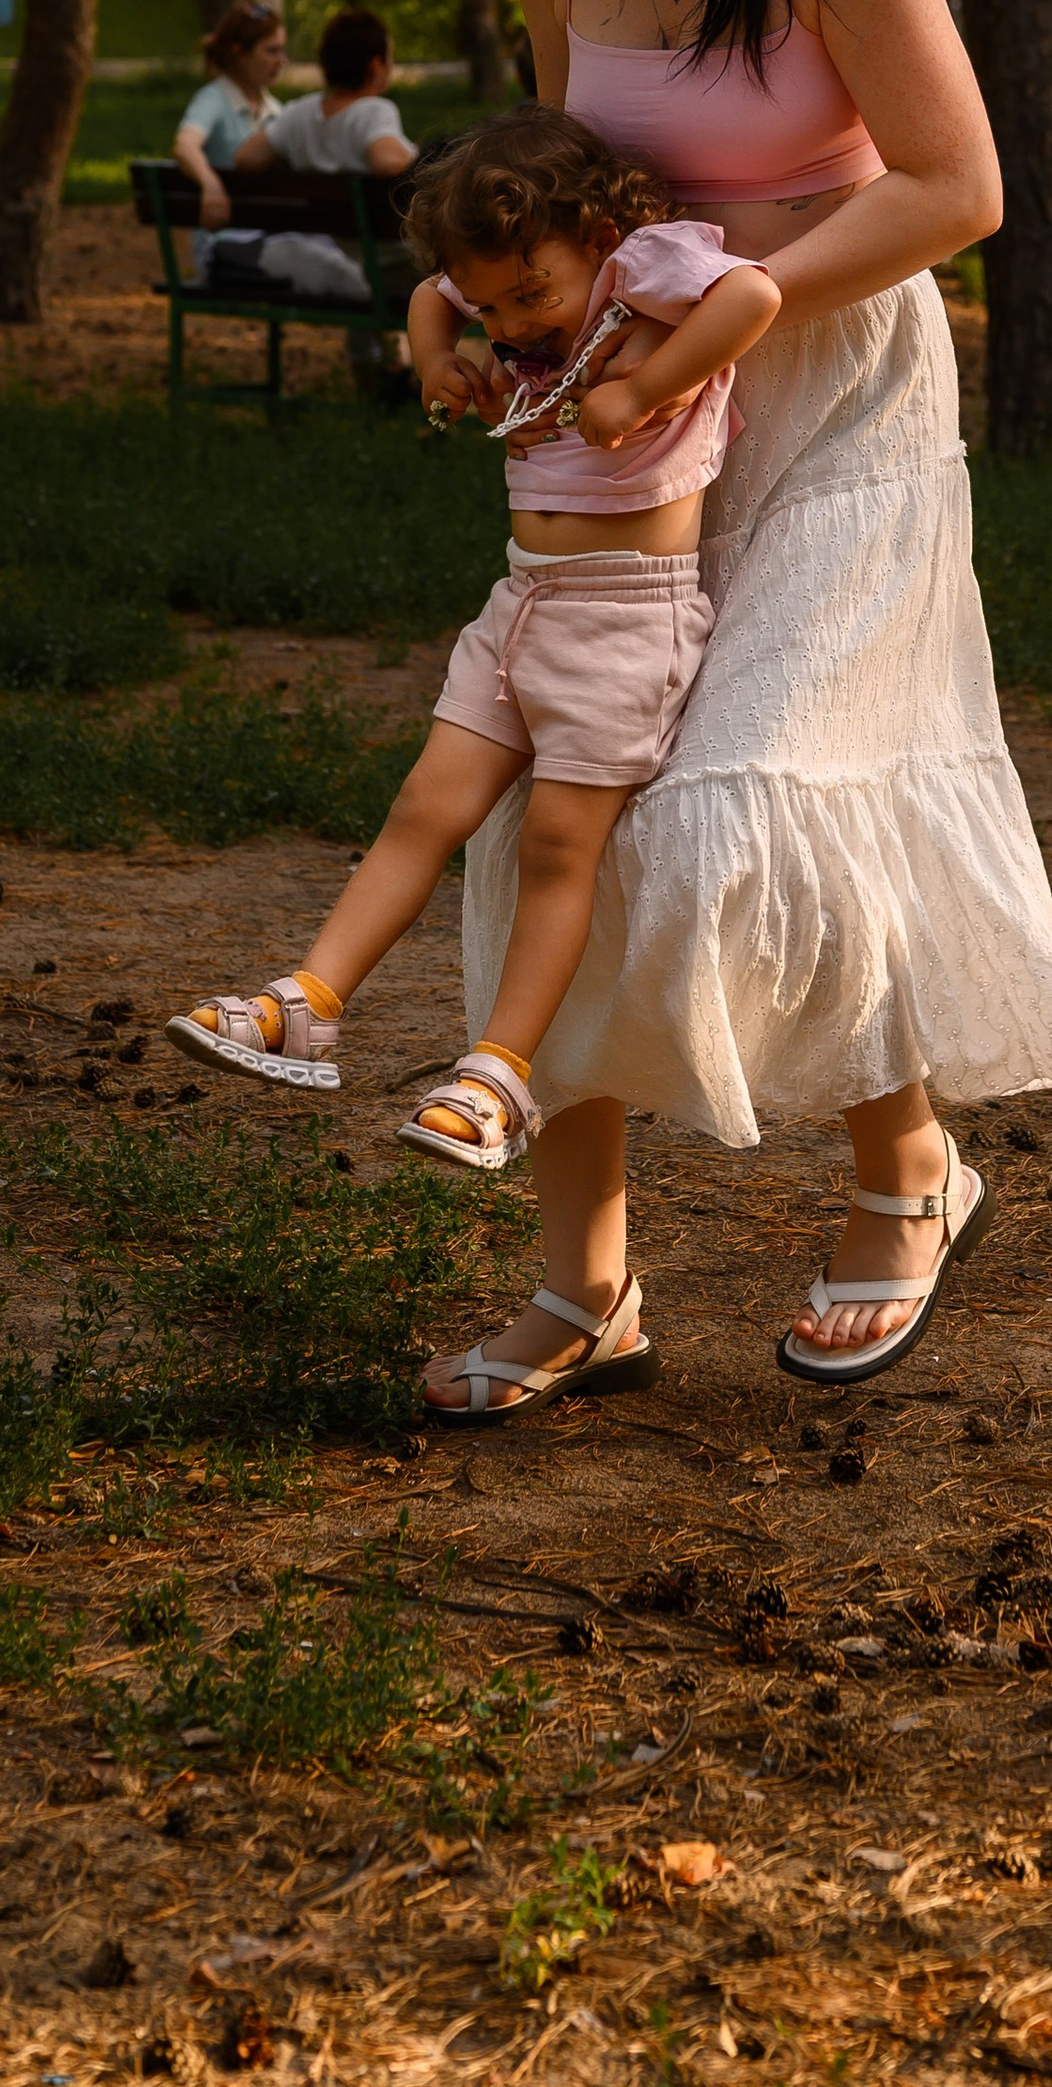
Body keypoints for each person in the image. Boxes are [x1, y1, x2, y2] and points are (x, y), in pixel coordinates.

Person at [407, 0, 1052, 1422]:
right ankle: (586, 1285)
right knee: (564, 798)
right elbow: (561, 178)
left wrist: (741, 307)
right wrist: (469, 306)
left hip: (837, 385)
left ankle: (910, 1170)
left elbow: (960, 185)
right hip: (632, 410)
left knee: (771, 789)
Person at [164, 108, 780, 1314]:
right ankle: (308, 1004)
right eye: (496, 308)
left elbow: (752, 296)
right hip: (522, 601)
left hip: (627, 617)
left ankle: (497, 1076)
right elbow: (432, 300)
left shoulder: (642, 262)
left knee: (559, 847)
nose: (511, 324)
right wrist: (432, 353)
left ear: (590, 230)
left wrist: (648, 383)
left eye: (525, 297)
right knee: (422, 806)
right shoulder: (499, 283)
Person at [210, 6, 418, 317]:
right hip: (396, 260)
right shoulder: (374, 111)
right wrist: (416, 155)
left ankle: (372, 360)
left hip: (341, 253)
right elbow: (387, 163)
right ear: (376, 65)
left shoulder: (300, 114)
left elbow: (247, 159)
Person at [173, 3, 287, 277]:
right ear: (239, 54)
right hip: (221, 249)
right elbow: (184, 145)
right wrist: (210, 183)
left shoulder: (276, 111)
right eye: (271, 51)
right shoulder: (214, 99)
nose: (281, 60)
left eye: (282, 50)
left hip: (265, 241)